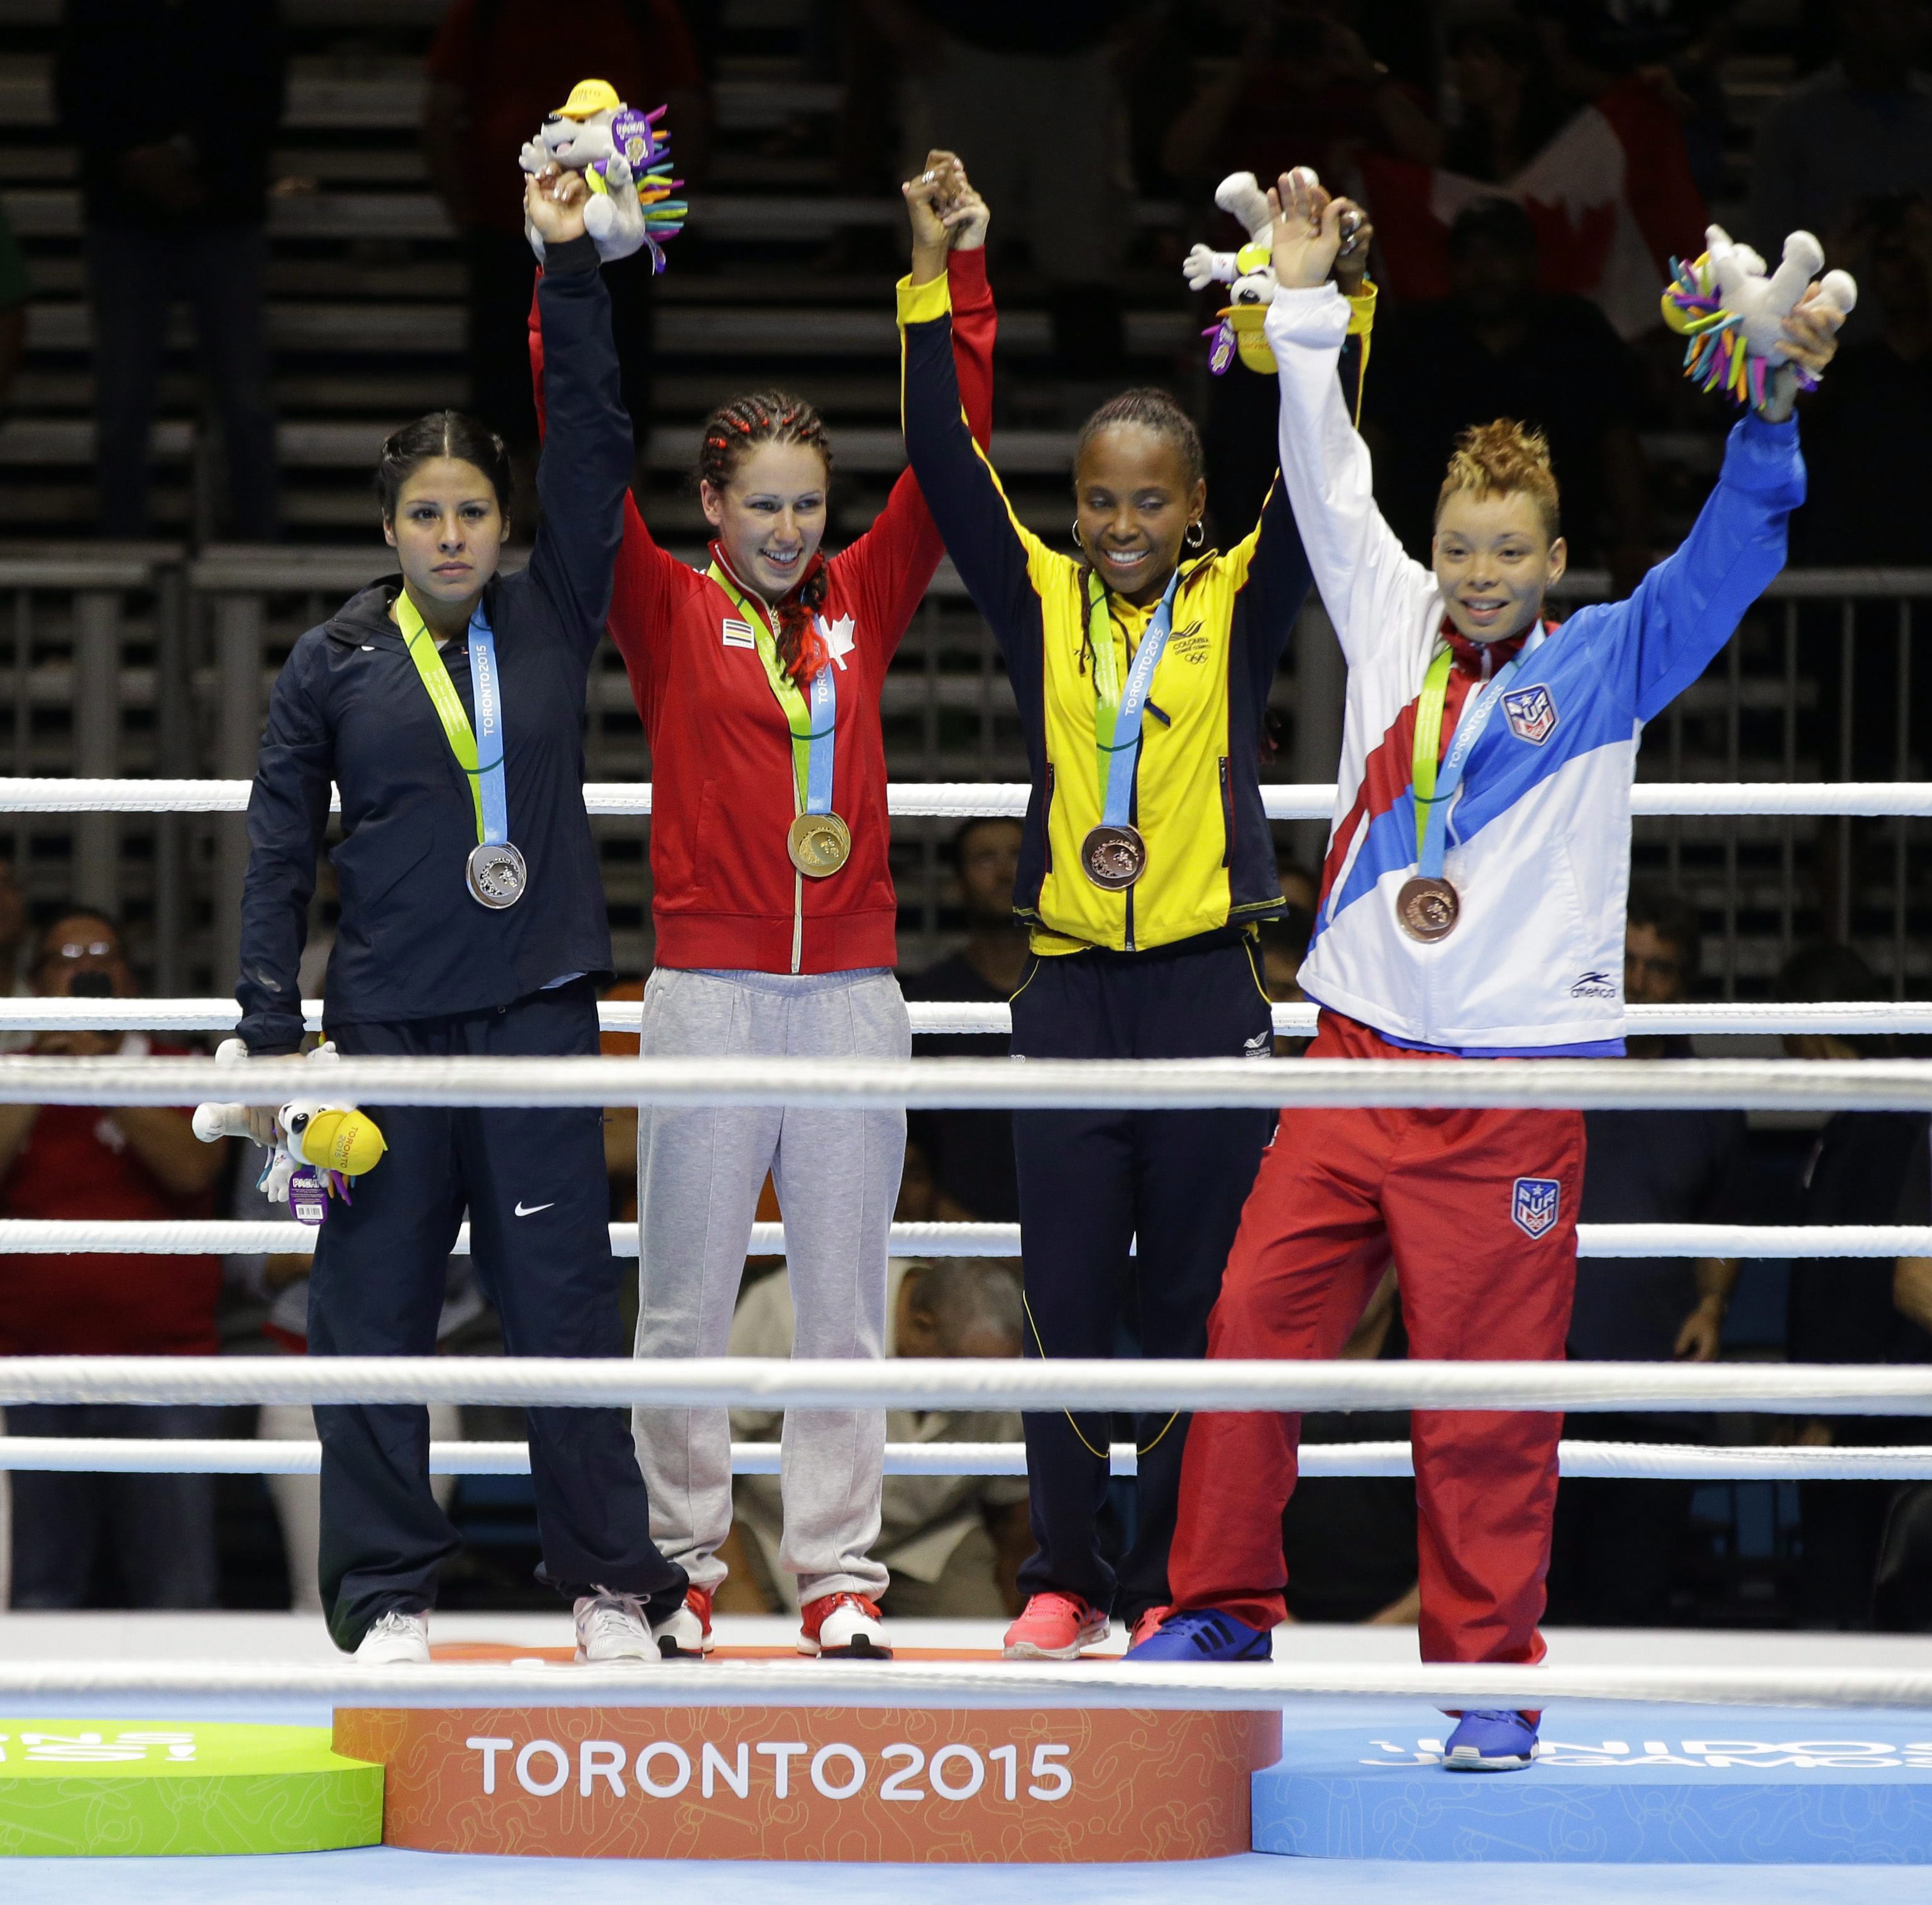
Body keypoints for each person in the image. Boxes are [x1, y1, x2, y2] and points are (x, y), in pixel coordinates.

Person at [1131, 170, 1843, 1775]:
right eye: (1460, 546)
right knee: (1251, 1333)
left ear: (1554, 552)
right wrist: (1304, 319)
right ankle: (1223, 1604)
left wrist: (1771, 415)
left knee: (1488, 1403)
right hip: (1356, 1058)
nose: (1476, 572)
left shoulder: (1609, 662)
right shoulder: (1385, 610)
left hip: (1513, 1093)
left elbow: (1728, 562)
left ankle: (1492, 1674)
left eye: (1508, 550)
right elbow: (1323, 477)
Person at [898, 169, 1377, 1660]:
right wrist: (941, 273)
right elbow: (935, 448)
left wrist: (1330, 302)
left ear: (1192, 508)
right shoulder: (1039, 595)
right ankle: (1066, 1570)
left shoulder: (1240, 595)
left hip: (1201, 988)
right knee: (1062, 1292)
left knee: (1187, 1294)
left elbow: (1331, 467)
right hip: (1066, 991)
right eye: (1098, 497)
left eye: (1148, 499)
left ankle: (1168, 1570)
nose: (1118, 522)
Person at [529, 153, 996, 1664]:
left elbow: (958, 457)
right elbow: (579, 455)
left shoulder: (869, 593)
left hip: (855, 988)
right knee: (682, 1299)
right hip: (712, 989)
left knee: (848, 1300)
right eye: (763, 505)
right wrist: (570, 277)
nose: (791, 530)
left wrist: (950, 279)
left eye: (809, 505)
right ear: (711, 504)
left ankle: (837, 1570)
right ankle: (679, 1562)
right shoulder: (663, 606)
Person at [228, 161, 686, 1664]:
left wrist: (567, 265)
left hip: (539, 1017)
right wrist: (272, 1034)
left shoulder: (556, 606)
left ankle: (615, 1584)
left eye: (472, 509)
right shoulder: (332, 663)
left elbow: (599, 438)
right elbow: (279, 846)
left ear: (505, 520)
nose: (448, 535)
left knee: (563, 1308)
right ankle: (385, 1593)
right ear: (388, 521)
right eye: (423, 512)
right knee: (364, 1318)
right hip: (379, 1041)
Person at [0, 910, 229, 1608]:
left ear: (129, 978)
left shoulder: (180, 1067)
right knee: (40, 1588)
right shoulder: (12, 1073)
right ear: (37, 984)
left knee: (178, 1589)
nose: (84, 968)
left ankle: (196, 1720)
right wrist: (46, 1065)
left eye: (101, 954)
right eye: (65, 956)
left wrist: (101, 1070)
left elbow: (194, 1169)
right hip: (31, 1373)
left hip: (166, 1374)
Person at [423, 0, 710, 522]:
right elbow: (441, 104)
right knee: (506, 396)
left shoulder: (647, 10)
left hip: (613, 237)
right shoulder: (487, 12)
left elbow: (684, 103)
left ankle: (621, 541)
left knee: (615, 391)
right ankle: (515, 536)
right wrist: (467, 214)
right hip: (507, 235)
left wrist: (656, 213)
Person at [1545, 886, 1745, 1627]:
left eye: (1658, 967)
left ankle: (1615, 1746)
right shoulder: (1553, 1071)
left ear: (1683, 981)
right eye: (1625, 961)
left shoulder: (1707, 1095)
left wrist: (1713, 1308)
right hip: (1548, 1384)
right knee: (1539, 1598)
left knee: (1631, 1604)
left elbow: (1723, 1226)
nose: (1638, 980)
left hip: (1658, 1392)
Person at [53, 0, 285, 539]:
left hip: (223, 208)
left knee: (243, 400)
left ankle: (258, 559)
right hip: (125, 213)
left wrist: (184, 155)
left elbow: (261, 93)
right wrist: (140, 162)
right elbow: (75, 93)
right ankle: (122, 556)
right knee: (123, 401)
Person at [1361, 196, 1651, 592]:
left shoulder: (1578, 333)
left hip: (1563, 574)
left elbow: (1618, 443)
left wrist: (1633, 541)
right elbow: (1372, 446)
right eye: (1470, 257)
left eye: (1499, 254)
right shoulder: (1415, 337)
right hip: (1422, 573)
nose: (1484, 270)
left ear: (1531, 260)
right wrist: (1361, 539)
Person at [729, 1258, 1030, 1619]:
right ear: (922, 1327)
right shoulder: (791, 1311)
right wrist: (735, 1584)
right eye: (974, 1384)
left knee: (989, 1650)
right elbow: (703, 1456)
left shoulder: (1003, 1359)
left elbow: (1017, 1501)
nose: (990, 1396)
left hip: (927, 1541)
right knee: (753, 1655)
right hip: (773, 1533)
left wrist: (1020, 1600)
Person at [1779, 942, 1932, 1630]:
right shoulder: (1861, 1119)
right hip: (1859, 1405)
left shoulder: (1885, 1122)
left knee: (1849, 1594)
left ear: (1807, 1030)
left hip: (1872, 1413)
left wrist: (1826, 1411)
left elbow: (1871, 1283)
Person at [900, 815, 1026, 1223]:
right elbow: (904, 1150)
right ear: (957, 882)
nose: (1006, 873)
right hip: (960, 1248)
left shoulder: (1082, 995)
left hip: (1081, 1238)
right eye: (985, 860)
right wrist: (971, 1242)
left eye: (1018, 857)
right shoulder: (925, 1003)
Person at [1748, 0, 1932, 277]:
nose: (1917, 21)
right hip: (1826, 307)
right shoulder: (1792, 120)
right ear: (1855, 14)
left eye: (1921, 8)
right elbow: (1767, 249)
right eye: (1899, 9)